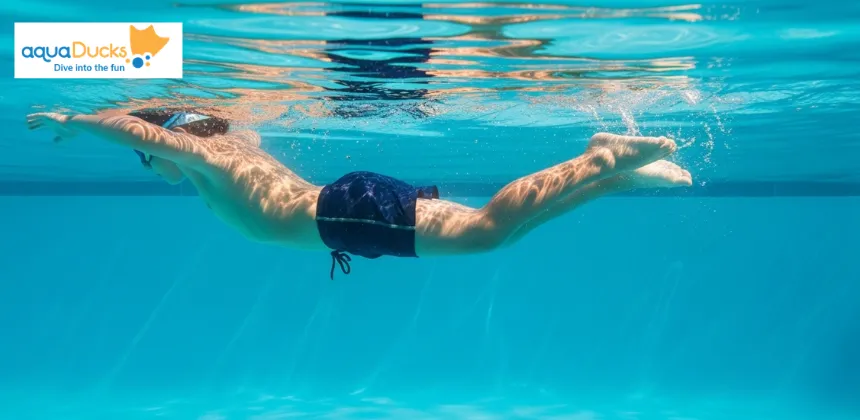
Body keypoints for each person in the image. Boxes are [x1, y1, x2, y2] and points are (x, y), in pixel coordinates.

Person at [26, 109, 692, 279]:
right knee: (497, 236)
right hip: (346, 210)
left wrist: (74, 122)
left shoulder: (204, 156)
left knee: (489, 232)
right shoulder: (233, 145)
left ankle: (599, 158)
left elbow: (149, 133)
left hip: (341, 214)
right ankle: (614, 176)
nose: (153, 168)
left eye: (148, 160)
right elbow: (167, 131)